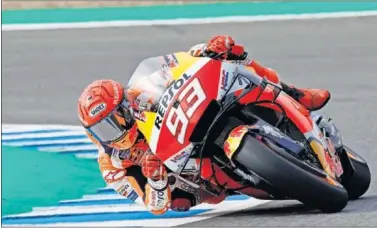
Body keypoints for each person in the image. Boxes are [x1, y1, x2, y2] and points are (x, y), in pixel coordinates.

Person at [77, 35, 331, 215]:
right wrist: (155, 179)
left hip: (192, 118)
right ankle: (246, 177)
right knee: (180, 202)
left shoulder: (140, 92)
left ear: (124, 105)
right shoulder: (112, 165)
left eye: (117, 118)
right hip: (189, 173)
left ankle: (295, 93)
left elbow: (182, 61)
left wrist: (207, 49)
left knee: (231, 57)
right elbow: (154, 206)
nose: (117, 130)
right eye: (105, 128)